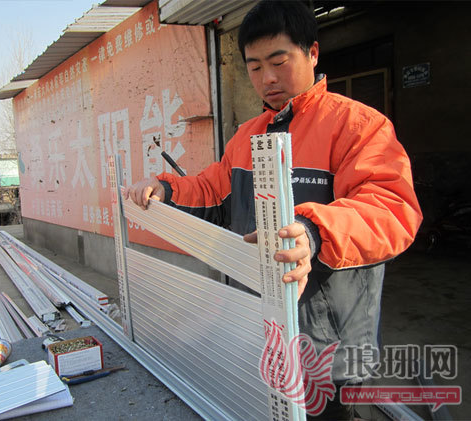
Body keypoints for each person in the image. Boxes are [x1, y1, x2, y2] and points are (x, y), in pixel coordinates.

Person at [125, 1, 422, 419]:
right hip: (259, 335)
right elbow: (212, 191)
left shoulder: (357, 126)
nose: (267, 78)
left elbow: (392, 208)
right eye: (254, 66)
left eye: (279, 62)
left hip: (332, 353)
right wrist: (166, 189)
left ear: (312, 53)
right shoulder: (248, 136)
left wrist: (313, 232)